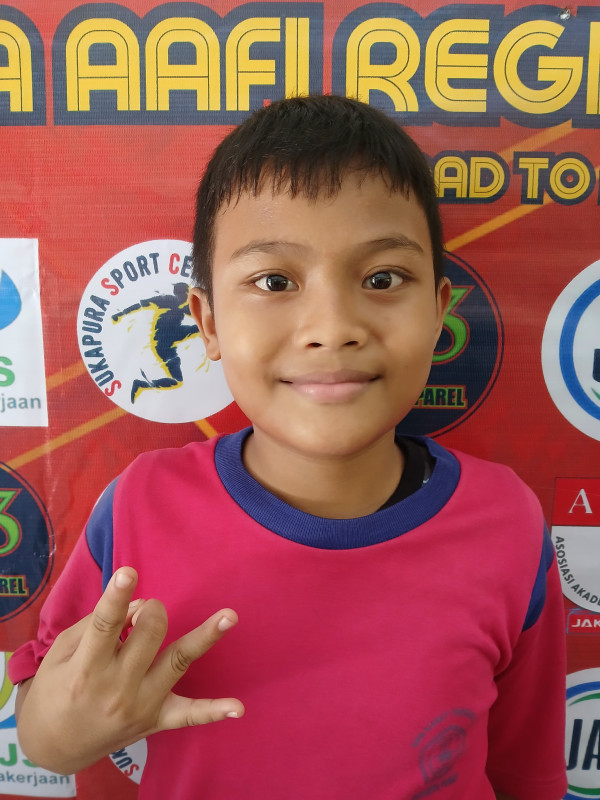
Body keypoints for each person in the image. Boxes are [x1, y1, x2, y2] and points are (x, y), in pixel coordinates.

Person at [10, 95, 566, 800]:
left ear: (438, 313)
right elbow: (43, 737)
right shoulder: (141, 507)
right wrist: (73, 727)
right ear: (208, 322)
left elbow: (526, 774)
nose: (331, 328)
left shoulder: (506, 521)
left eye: (383, 279)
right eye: (274, 282)